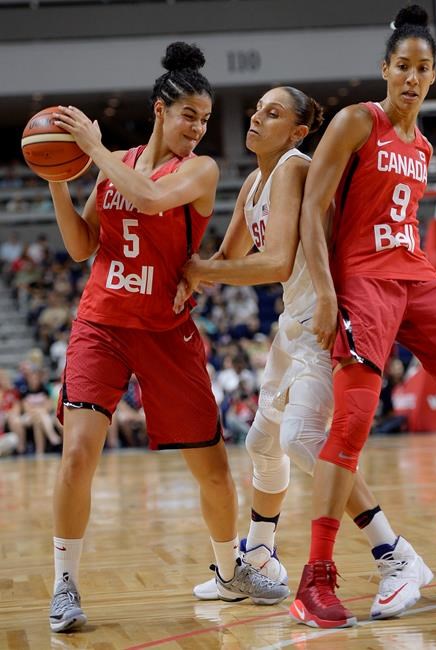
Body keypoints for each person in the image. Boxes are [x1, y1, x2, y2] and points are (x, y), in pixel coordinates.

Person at [45, 42, 288, 634]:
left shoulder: (196, 171)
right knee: (78, 452)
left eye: (205, 119)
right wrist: (57, 178)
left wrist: (93, 149)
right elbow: (82, 248)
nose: (198, 129)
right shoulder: (114, 168)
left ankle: (230, 569)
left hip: (165, 329)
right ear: (160, 109)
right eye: (189, 116)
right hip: (101, 323)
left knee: (212, 468)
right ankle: (64, 586)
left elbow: (152, 198)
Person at [290, 4, 436, 629]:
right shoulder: (357, 122)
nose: (411, 78)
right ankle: (316, 579)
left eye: (422, 68)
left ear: (434, 76)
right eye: (401, 67)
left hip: (417, 277)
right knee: (353, 424)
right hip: (363, 281)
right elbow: (312, 210)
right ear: (384, 69)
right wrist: (330, 292)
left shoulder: (422, 144)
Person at [174, 85, 432, 620]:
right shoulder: (253, 181)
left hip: (323, 316)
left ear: (295, 132)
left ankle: (397, 554)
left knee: (302, 439)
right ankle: (262, 558)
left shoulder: (293, 167)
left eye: (272, 113)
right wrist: (187, 277)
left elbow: (271, 263)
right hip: (292, 320)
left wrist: (203, 270)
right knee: (262, 442)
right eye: (255, 110)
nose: (256, 118)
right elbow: (229, 256)